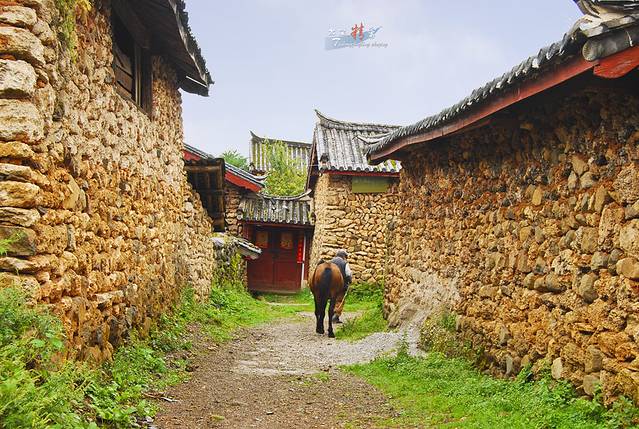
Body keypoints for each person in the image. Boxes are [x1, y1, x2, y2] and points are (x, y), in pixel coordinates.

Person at [330, 249, 352, 323]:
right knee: (340, 300)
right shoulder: (344, 263)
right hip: (341, 285)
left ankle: (331, 314)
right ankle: (336, 315)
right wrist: (350, 281)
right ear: (344, 256)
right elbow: (348, 274)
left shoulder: (330, 262)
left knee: (332, 299)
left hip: (330, 285)